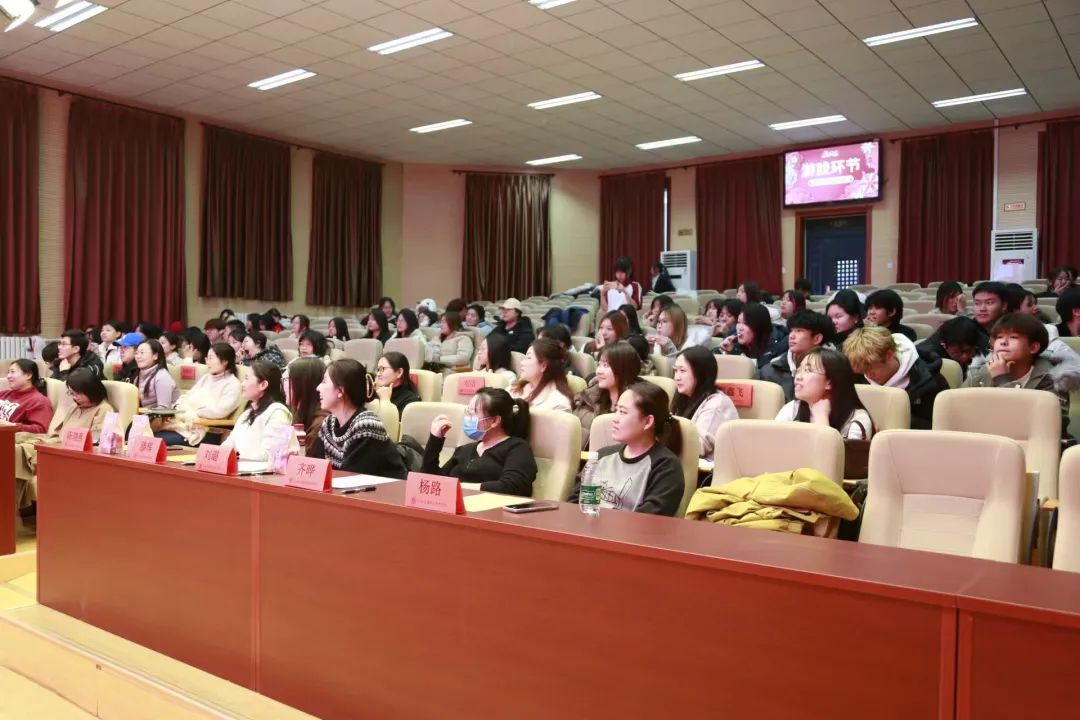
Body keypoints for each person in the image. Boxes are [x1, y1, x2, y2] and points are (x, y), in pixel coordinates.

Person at [567, 381, 685, 516]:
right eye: (616, 410)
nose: (615, 418)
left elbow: (650, 519)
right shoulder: (603, 456)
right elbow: (575, 503)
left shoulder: (666, 466)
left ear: (648, 422)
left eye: (623, 412)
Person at [14, 369, 114, 511]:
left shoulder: (103, 410)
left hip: (66, 455)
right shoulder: (74, 407)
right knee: (12, 439)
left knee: (17, 452)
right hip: (53, 444)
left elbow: (95, 442)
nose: (74, 398)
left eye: (76, 394)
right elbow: (57, 434)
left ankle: (10, 509)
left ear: (90, 390)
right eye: (71, 393)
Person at [963, 313, 1073, 438]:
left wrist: (1003, 380)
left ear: (1033, 347)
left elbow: (1052, 423)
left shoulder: (1054, 378)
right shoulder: (981, 374)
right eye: (999, 337)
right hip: (988, 439)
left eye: (1013, 337)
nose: (1003, 342)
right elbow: (958, 411)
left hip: (1035, 443)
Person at [423, 388, 537, 496]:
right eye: (468, 412)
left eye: (473, 413)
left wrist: (459, 487)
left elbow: (514, 487)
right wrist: (435, 440)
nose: (468, 418)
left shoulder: (517, 448)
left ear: (494, 421)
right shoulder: (464, 450)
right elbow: (432, 482)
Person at [308, 359, 407, 477]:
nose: (318, 387)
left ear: (341, 390)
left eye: (324, 381)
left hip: (386, 488)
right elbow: (316, 469)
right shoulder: (328, 423)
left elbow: (351, 478)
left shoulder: (366, 426)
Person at [843, 326, 946, 430]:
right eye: (864, 371)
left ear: (889, 354)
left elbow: (941, 427)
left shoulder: (930, 380)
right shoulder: (856, 381)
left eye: (871, 369)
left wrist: (892, 422)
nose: (869, 376)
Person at [775, 348, 874, 441]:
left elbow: (830, 453)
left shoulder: (857, 420)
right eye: (799, 370)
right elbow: (774, 445)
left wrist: (821, 418)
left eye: (807, 370)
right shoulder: (792, 409)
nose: (798, 377)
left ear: (829, 382)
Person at [155, 343, 243, 447]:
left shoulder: (233, 384)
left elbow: (220, 411)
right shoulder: (206, 378)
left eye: (211, 358)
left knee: (157, 440)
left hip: (208, 431)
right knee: (149, 434)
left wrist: (194, 412)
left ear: (224, 361)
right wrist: (178, 406)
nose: (207, 362)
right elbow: (187, 396)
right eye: (207, 358)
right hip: (185, 424)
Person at [672, 346, 738, 460]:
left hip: (709, 468)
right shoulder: (684, 397)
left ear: (701, 373)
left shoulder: (717, 403)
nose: (676, 377)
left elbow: (697, 447)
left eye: (682, 371)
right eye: (675, 370)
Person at [225, 361, 299, 461]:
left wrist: (238, 459)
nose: (242, 384)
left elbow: (271, 455)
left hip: (265, 470)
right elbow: (229, 444)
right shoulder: (247, 413)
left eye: (247, 378)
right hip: (244, 467)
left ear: (263, 385)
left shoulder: (279, 413)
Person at [572, 342, 641, 448]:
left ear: (624, 368)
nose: (598, 371)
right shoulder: (589, 397)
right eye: (599, 365)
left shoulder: (638, 403)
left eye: (606, 365)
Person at [759, 310, 835, 401]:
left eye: (799, 331)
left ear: (817, 338)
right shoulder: (770, 371)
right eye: (791, 331)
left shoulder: (836, 368)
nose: (791, 336)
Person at [510, 338, 573, 412]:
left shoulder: (558, 404)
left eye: (528, 358)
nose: (522, 363)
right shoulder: (517, 387)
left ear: (543, 366)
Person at [718, 302, 787, 368]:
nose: (740, 328)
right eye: (738, 322)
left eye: (746, 323)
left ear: (759, 326)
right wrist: (725, 351)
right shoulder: (733, 341)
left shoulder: (778, 346)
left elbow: (761, 371)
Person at [285, 357, 328, 455]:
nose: (283, 385)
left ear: (303, 384)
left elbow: (306, 460)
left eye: (286, 379)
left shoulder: (321, 424)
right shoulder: (298, 413)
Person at [917, 316, 982, 379]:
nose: (965, 357)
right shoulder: (925, 359)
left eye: (969, 351)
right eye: (958, 352)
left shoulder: (974, 342)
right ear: (944, 344)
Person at [0, 359, 52, 432]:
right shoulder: (4, 394)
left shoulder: (39, 401)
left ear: (28, 375)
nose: (8, 376)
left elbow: (40, 429)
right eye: (8, 372)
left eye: (12, 372)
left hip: (10, 436)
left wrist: (12, 426)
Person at [132, 339, 178, 409]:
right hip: (145, 414)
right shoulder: (138, 376)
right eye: (136, 353)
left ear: (155, 356)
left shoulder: (162, 377)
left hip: (163, 415)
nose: (138, 356)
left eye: (142, 353)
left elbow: (164, 409)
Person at [374, 351, 421, 416]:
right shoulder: (375, 392)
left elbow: (391, 422)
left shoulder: (411, 400)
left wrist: (385, 401)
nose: (378, 374)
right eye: (378, 369)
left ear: (399, 372)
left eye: (382, 369)